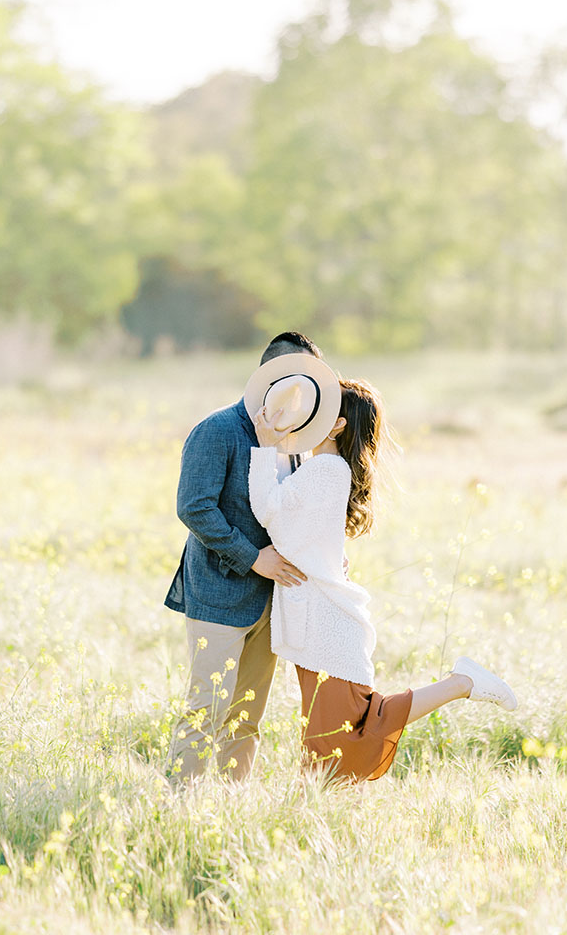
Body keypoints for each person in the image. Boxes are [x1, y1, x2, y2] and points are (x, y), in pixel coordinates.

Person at [247, 375, 517, 782]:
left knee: (349, 735)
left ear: (337, 425)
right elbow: (307, 533)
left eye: (322, 409)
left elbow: (271, 511)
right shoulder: (322, 467)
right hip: (321, 625)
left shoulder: (327, 469)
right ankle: (316, 816)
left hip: (325, 627)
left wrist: (266, 450)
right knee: (336, 735)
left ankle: (463, 682)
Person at [164, 331, 332, 783]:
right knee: (207, 708)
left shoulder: (296, 444)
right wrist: (252, 557)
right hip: (218, 592)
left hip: (270, 601)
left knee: (246, 716)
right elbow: (193, 505)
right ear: (267, 376)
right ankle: (178, 803)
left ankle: (231, 804)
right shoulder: (217, 430)